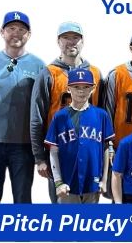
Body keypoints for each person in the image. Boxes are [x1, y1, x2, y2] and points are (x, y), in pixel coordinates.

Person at [30, 21, 102, 203]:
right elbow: (37, 118)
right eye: (66, 38)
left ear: (83, 41)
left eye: (75, 38)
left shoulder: (95, 73)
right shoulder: (48, 73)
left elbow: (103, 113)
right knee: (62, 209)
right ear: (58, 41)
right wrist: (39, 158)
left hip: (89, 150)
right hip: (59, 151)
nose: (71, 42)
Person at [0, 11, 44, 204]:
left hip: (22, 144)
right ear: (2, 32)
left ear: (29, 35)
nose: (16, 33)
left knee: (22, 198)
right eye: (11, 28)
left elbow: (43, 105)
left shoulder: (39, 65)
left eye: (22, 29)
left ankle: (22, 234)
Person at [45, 68, 114, 204]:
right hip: (68, 183)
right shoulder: (59, 117)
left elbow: (106, 148)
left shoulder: (101, 115)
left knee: (89, 222)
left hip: (92, 182)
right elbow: (53, 152)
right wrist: (58, 182)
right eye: (76, 87)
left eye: (86, 87)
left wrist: (104, 180)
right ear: (68, 88)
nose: (81, 91)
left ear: (93, 89)